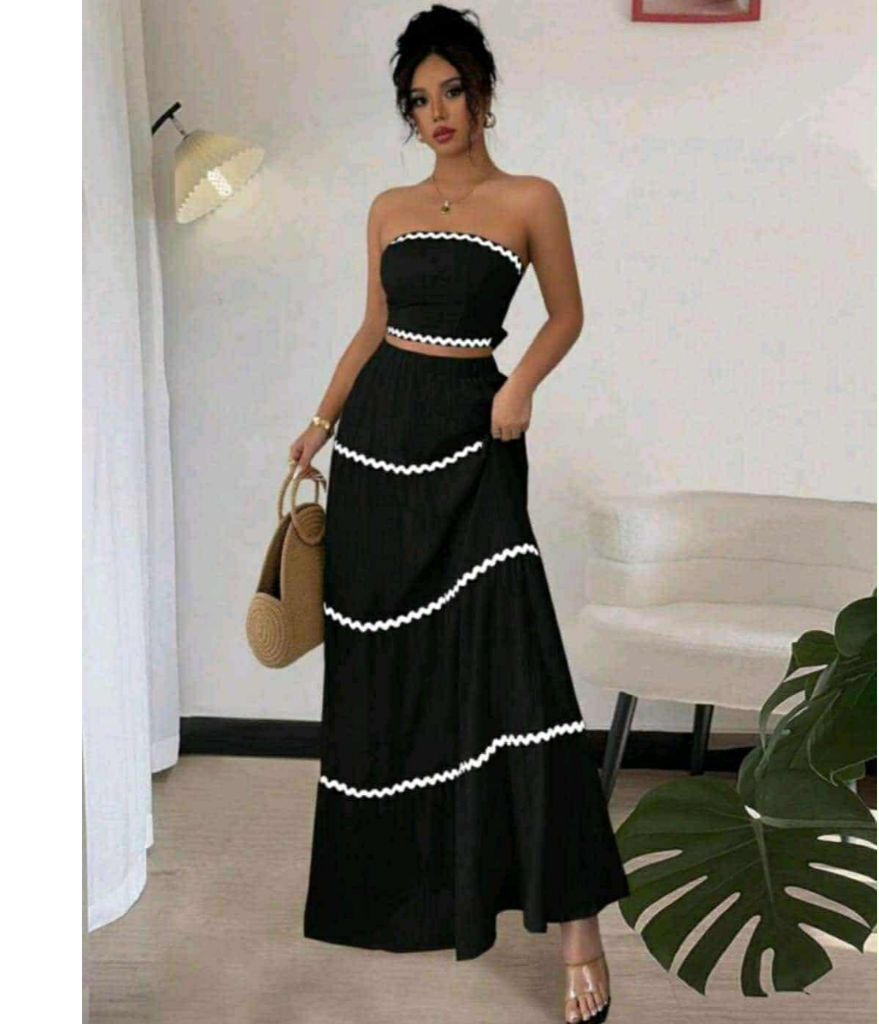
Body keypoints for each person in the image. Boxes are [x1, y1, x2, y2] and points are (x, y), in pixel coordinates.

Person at [291, 7, 629, 1022]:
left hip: (476, 438)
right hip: (379, 444)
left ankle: (578, 923)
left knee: (520, 665)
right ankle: (413, 892)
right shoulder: (388, 207)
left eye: (450, 91)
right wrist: (320, 422)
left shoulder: (530, 198)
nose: (435, 113)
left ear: (482, 91)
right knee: (389, 668)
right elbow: (372, 325)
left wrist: (519, 383)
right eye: (418, 100)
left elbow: (567, 313)